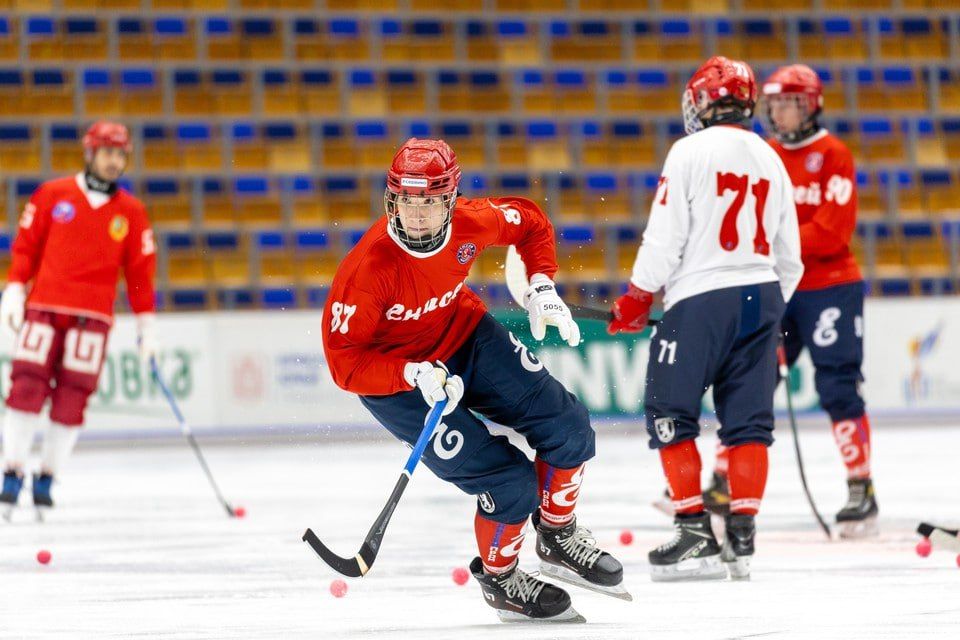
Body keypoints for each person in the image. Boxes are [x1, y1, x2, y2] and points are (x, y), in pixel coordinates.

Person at [321, 138, 627, 623]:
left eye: (429, 201)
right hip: (399, 382)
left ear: (450, 199)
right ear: (391, 200)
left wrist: (542, 284)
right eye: (407, 199)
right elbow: (344, 364)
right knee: (509, 484)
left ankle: (557, 532)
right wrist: (410, 372)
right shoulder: (366, 270)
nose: (417, 213)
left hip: (461, 334)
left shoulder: (472, 221)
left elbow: (530, 221)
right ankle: (501, 578)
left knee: (568, 426)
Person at [608, 56, 804, 581]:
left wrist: (636, 297)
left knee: (669, 410)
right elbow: (791, 257)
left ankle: (694, 530)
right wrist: (769, 308)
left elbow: (665, 236)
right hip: (762, 293)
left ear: (701, 102)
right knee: (748, 425)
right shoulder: (771, 157)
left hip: (701, 296)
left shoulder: (689, 151)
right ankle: (742, 535)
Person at [0, 121, 158, 517]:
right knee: (25, 390)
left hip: (93, 320)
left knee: (73, 400)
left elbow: (140, 276)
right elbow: (25, 248)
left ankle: (47, 479)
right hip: (45, 309)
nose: (114, 161)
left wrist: (146, 326)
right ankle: (12, 471)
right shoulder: (53, 194)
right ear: (90, 153)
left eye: (121, 154)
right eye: (107, 152)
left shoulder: (132, 212)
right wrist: (16, 289)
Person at [761, 63, 877, 538]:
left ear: (811, 105)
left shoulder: (833, 154)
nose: (782, 111)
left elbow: (833, 231)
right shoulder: (764, 154)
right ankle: (724, 483)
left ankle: (860, 487)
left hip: (830, 286)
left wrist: (772, 241)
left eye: (792, 102)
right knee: (752, 381)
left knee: (838, 386)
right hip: (779, 287)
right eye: (776, 102)